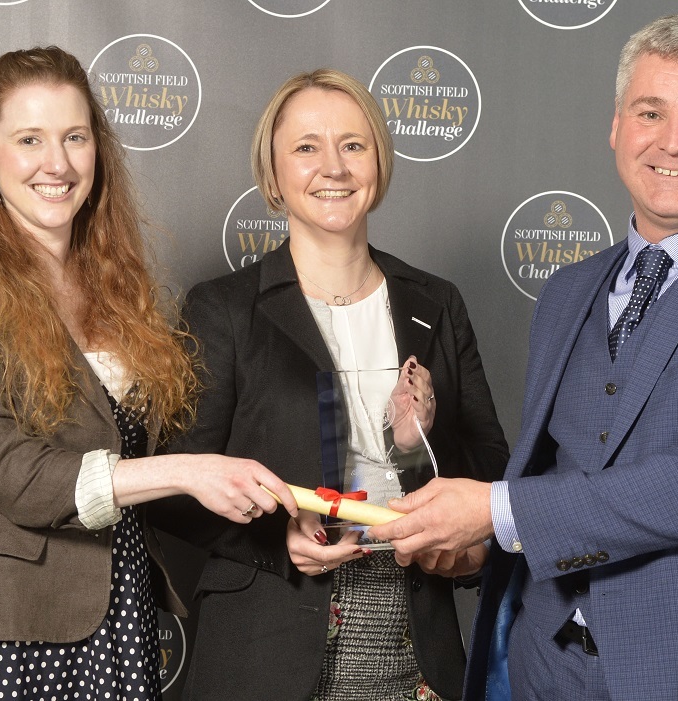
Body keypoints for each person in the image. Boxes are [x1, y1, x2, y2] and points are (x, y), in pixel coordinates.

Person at [370, 14, 678, 701]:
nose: (672, 141)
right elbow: (557, 476)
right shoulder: (569, 289)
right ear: (616, 126)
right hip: (546, 667)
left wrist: (496, 511)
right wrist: (477, 541)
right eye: (651, 111)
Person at [0, 46, 298, 700]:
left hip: (119, 621)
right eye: (29, 139)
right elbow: (19, 478)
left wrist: (283, 508)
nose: (56, 163)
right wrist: (187, 472)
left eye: (75, 137)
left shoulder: (119, 294)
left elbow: (161, 454)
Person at [152, 68, 508, 700]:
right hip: (266, 651)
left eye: (353, 144)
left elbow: (490, 477)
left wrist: (419, 452)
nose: (334, 167)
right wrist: (275, 539)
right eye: (307, 147)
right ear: (273, 173)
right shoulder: (225, 310)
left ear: (379, 162)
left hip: (413, 644)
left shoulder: (436, 304)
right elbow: (174, 489)